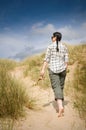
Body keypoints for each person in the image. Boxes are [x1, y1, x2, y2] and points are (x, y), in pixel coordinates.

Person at [40, 32, 68, 117]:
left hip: (53, 70)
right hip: (63, 70)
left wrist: (42, 70)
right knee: (61, 87)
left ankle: (60, 107)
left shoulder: (50, 47)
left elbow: (46, 60)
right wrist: (64, 68)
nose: (51, 38)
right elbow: (66, 61)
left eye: (52, 36)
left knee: (56, 87)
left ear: (55, 38)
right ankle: (60, 104)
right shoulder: (64, 47)